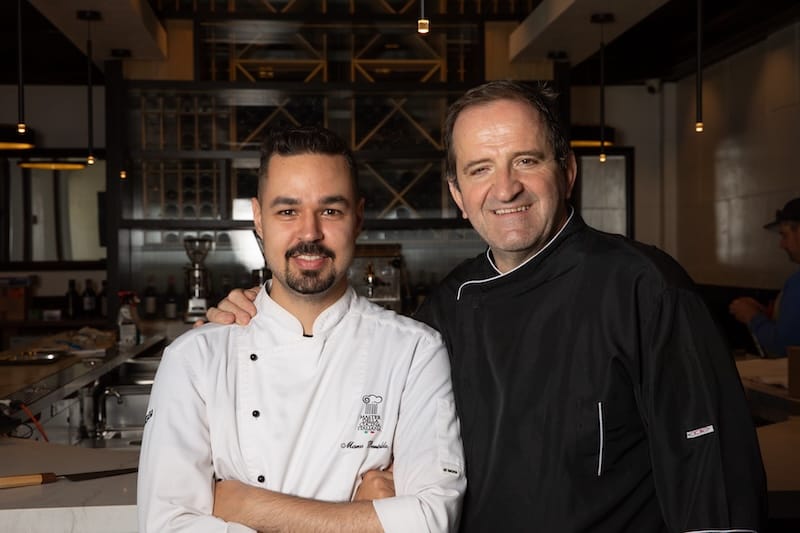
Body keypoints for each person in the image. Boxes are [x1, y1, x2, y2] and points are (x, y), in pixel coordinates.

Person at [207, 81, 767, 532]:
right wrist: (261, 313)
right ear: (457, 192)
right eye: (479, 169)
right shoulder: (446, 309)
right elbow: (368, 421)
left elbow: (715, 490)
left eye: (526, 161)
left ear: (567, 171)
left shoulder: (645, 288)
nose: (506, 189)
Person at [138, 125, 466, 532]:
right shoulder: (194, 358)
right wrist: (361, 521)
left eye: (330, 210)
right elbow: (168, 526)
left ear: (358, 217)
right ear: (258, 218)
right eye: (287, 211)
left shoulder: (414, 351)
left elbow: (432, 522)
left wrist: (246, 506)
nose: (309, 233)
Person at [730, 197, 800, 357]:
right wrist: (765, 314)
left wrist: (752, 316)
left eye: (784, 235)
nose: (782, 245)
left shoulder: (797, 283)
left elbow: (783, 347)